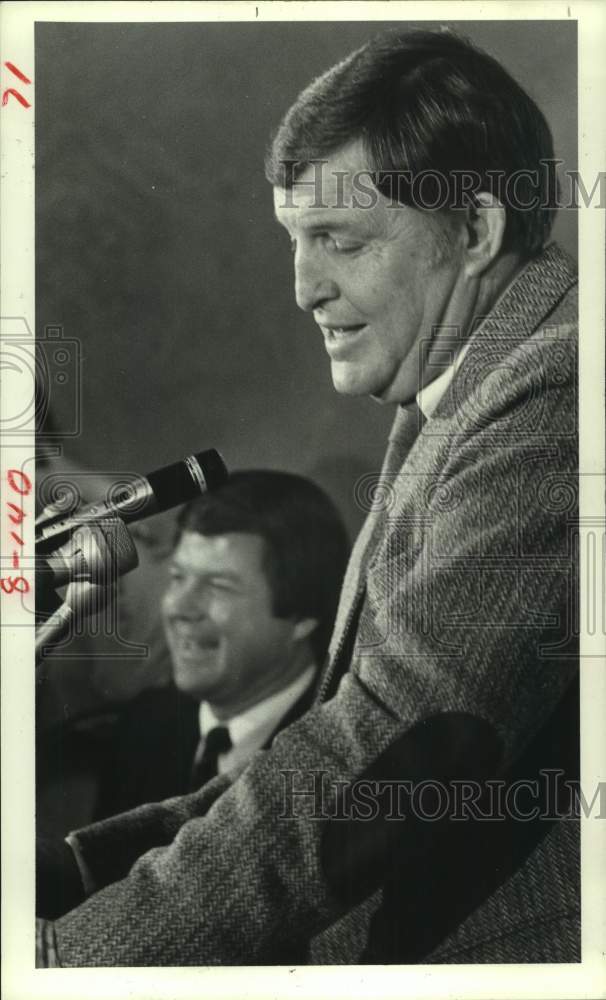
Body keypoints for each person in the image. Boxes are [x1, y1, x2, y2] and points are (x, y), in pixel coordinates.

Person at [36, 28, 579, 965]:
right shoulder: (454, 398)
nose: (302, 289)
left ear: (476, 230)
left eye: (339, 239)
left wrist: (72, 959)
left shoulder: (558, 393)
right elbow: (332, 754)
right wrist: (77, 876)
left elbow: (398, 748)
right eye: (296, 241)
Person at [69, 470, 349, 820]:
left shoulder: (343, 760)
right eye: (178, 577)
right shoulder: (144, 726)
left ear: (302, 616)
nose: (178, 608)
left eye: (218, 586)